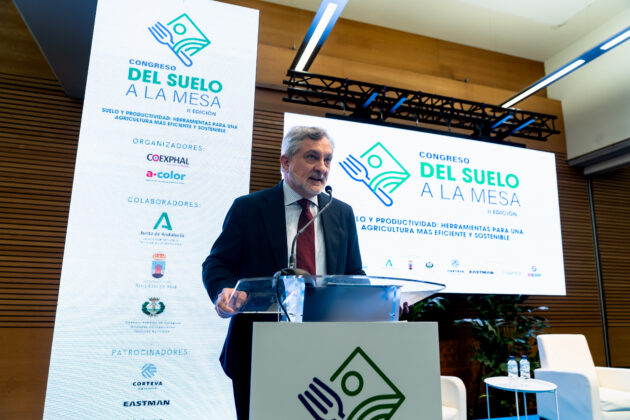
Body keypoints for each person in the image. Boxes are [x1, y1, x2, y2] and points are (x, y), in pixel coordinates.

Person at [202, 126, 364, 420]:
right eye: (312, 157)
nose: (322, 167)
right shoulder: (249, 208)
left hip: (328, 350)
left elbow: (354, 273)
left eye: (328, 159)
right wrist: (224, 289)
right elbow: (217, 264)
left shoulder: (341, 213)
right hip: (259, 351)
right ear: (286, 162)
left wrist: (377, 300)